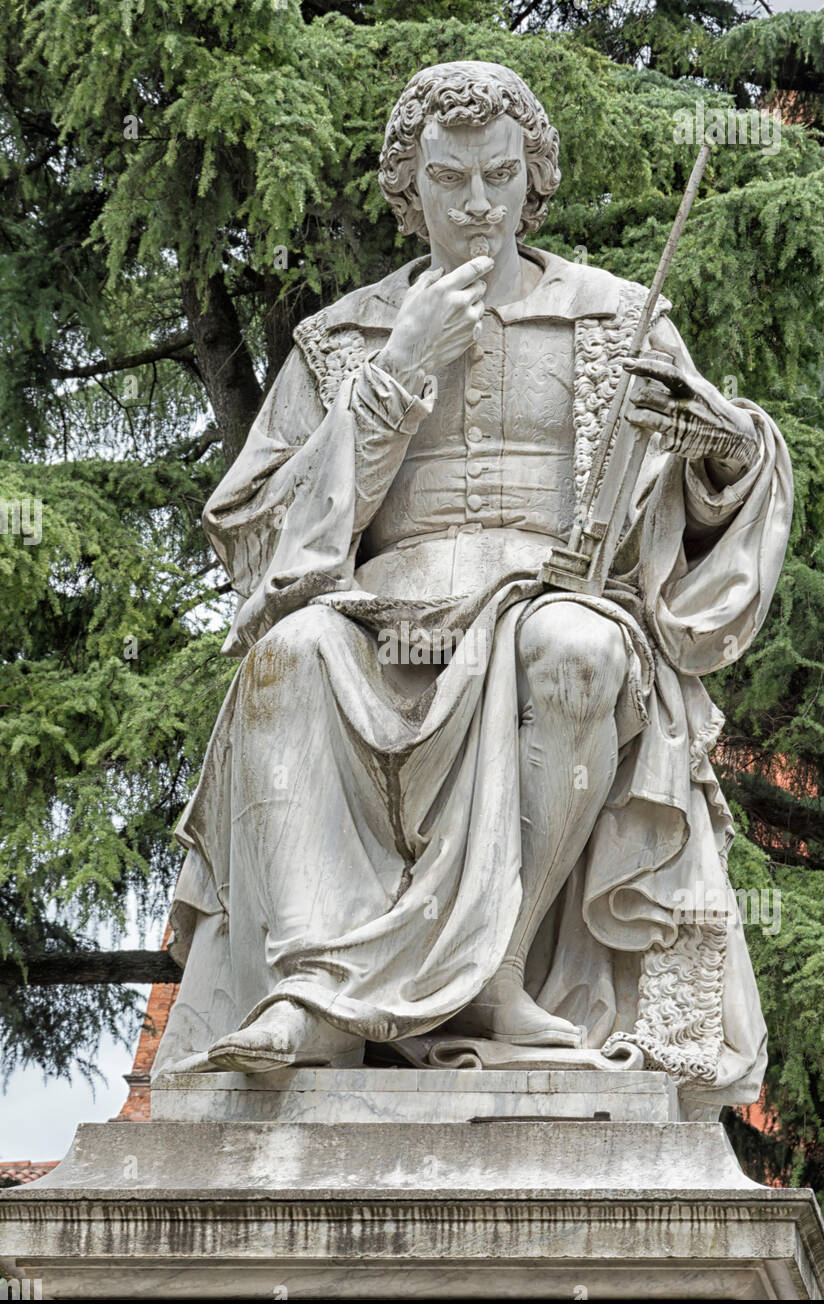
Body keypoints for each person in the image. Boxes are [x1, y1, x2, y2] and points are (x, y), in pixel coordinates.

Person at [154, 61, 792, 1113]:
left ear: (533, 179)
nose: (480, 205)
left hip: (551, 600)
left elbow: (711, 495)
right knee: (287, 656)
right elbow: (260, 532)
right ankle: (315, 986)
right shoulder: (344, 337)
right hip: (377, 613)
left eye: (501, 175)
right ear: (410, 188)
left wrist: (726, 452)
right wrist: (397, 372)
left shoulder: (619, 319)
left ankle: (497, 979)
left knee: (580, 653)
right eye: (451, 180)